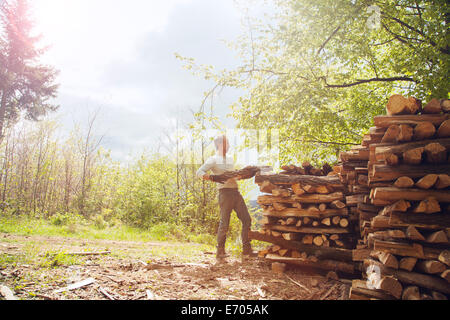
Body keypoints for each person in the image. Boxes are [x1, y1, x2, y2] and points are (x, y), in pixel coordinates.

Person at [196, 135, 257, 259]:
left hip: (236, 192)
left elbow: (233, 176)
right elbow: (199, 172)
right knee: (225, 223)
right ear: (219, 144)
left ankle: (247, 250)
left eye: (228, 144)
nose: (228, 146)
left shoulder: (229, 158)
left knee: (246, 220)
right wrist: (213, 178)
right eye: (226, 144)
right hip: (224, 194)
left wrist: (244, 175)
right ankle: (220, 251)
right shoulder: (212, 159)